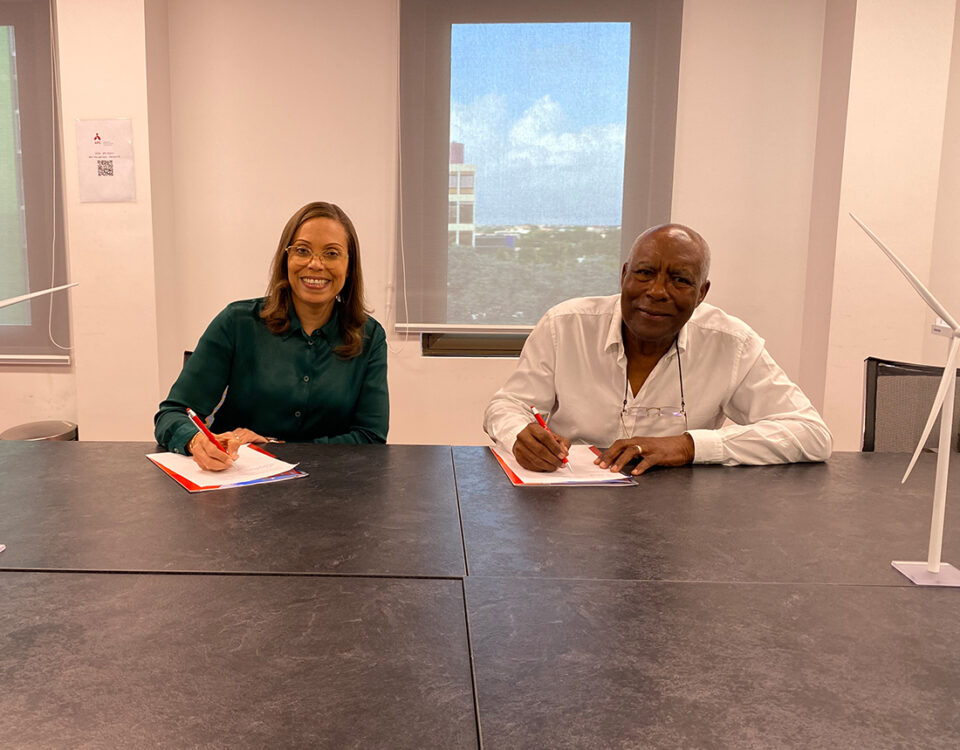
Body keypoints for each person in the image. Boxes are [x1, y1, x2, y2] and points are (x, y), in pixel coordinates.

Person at [484, 223, 831, 475]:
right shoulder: (565, 326)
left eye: (679, 280)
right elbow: (507, 405)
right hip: (571, 505)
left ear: (702, 293)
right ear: (624, 276)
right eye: (645, 273)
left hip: (681, 517)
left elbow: (811, 433)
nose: (657, 291)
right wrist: (519, 435)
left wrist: (689, 445)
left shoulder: (731, 343)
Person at [155, 201, 388, 471]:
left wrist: (274, 447)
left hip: (331, 484)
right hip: (236, 480)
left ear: (349, 266)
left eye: (332, 253)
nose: (315, 264)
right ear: (286, 259)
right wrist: (196, 441)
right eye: (302, 250)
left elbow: (371, 438)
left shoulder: (369, 336)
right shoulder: (237, 323)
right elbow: (172, 414)